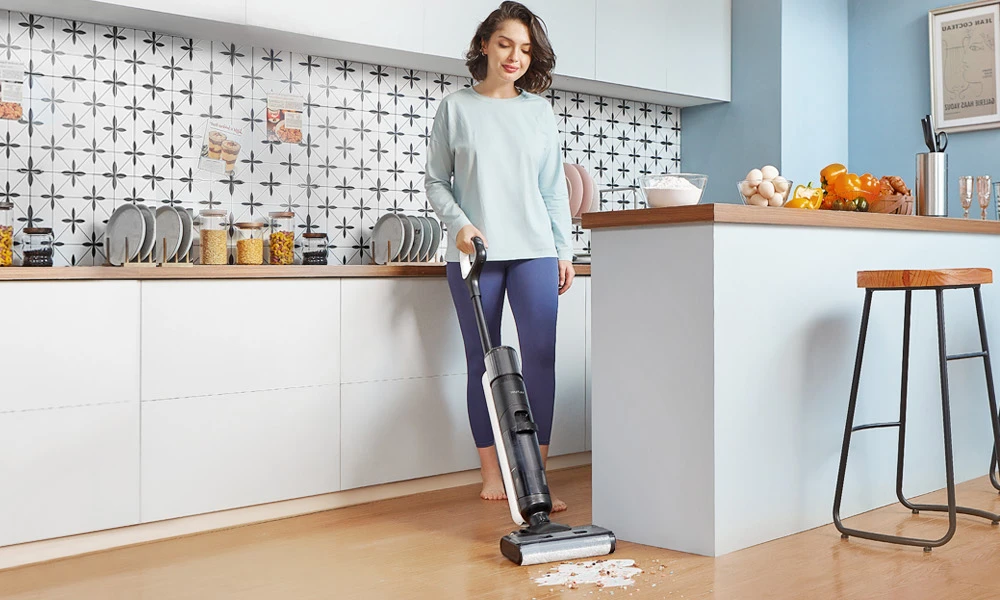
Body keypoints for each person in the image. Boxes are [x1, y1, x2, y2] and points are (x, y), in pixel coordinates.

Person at [425, 1, 574, 512]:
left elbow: (554, 189)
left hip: (534, 250)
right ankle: (492, 472)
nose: (516, 57)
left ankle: (536, 477)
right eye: (507, 43)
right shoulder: (455, 107)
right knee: (482, 363)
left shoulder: (537, 112)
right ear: (485, 43)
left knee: (541, 361)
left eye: (526, 49)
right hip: (475, 255)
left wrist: (564, 250)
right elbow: (435, 182)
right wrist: (460, 224)